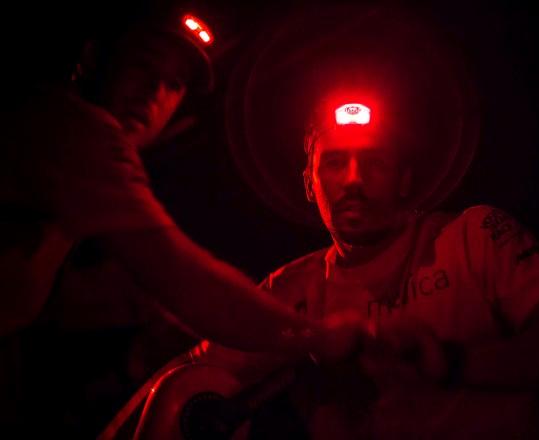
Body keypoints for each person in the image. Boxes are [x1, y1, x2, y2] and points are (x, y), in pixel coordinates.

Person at [0, 8, 361, 435]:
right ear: (95, 58)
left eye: (174, 83)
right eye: (142, 66)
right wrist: (316, 335)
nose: (153, 91)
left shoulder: (47, 130)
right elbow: (189, 284)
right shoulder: (80, 131)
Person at [206, 91, 539, 439]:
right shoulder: (288, 289)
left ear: (404, 179)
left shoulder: (475, 236)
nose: (353, 180)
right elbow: (200, 375)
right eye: (333, 163)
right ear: (309, 183)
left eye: (374, 162)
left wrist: (450, 361)